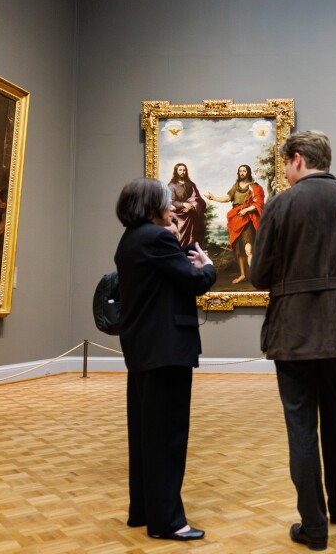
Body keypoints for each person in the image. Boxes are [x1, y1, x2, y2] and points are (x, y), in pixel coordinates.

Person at [250, 131, 336, 552]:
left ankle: (313, 525)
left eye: (285, 164)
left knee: (301, 424)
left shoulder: (281, 205)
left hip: (293, 329)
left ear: (295, 160)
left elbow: (259, 276)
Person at [114, 177, 216, 541]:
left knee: (145, 436)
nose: (173, 207)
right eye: (166, 202)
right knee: (167, 438)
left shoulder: (131, 239)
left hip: (144, 348)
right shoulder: (157, 238)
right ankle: (169, 522)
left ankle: (143, 511)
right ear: (149, 206)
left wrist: (173, 235)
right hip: (167, 349)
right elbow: (194, 282)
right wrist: (207, 266)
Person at [205, 164, 264, 284]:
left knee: (249, 249)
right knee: (238, 250)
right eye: (240, 171)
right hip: (236, 219)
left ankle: (254, 276)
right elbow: (227, 198)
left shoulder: (254, 186)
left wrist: (246, 210)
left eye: (244, 171)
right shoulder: (236, 186)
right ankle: (243, 275)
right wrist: (213, 198)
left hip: (248, 219)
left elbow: (259, 203)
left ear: (248, 172)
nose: (242, 173)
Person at [167, 163, 206, 247]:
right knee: (179, 239)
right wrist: (183, 204)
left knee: (194, 238)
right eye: (180, 170)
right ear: (176, 172)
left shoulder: (191, 185)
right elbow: (171, 201)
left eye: (184, 170)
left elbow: (197, 198)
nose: (182, 172)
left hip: (192, 214)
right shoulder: (171, 186)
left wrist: (191, 206)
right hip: (179, 215)